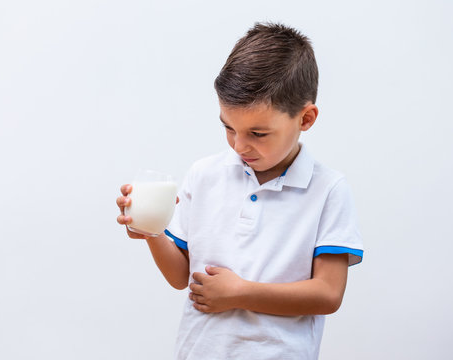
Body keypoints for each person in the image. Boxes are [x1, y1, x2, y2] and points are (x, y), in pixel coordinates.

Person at [116, 22, 364, 360]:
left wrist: (241, 293)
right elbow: (180, 277)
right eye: (228, 128)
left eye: (258, 134)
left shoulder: (328, 190)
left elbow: (328, 294)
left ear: (305, 119)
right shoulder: (205, 175)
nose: (239, 145)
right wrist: (151, 230)